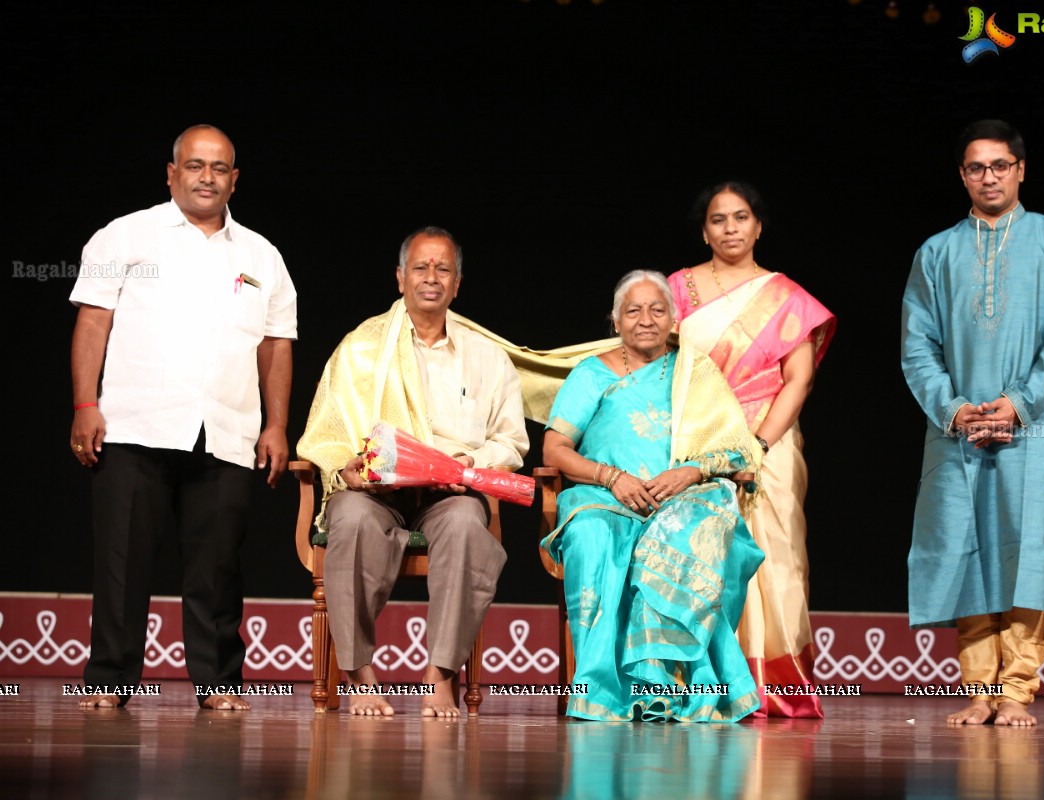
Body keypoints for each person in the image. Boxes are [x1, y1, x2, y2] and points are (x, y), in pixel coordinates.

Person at [69, 124, 297, 711]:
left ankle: (218, 685)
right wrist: (85, 405)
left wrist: (275, 425)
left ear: (234, 180)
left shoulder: (261, 256)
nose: (206, 177)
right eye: (194, 166)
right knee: (121, 565)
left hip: (225, 430)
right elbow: (93, 323)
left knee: (217, 570)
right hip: (133, 426)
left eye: (219, 168)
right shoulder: (127, 237)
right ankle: (109, 681)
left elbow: (276, 344)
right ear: (171, 173)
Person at [901, 119, 1044, 727]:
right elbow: (917, 345)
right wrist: (954, 408)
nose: (989, 176)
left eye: (1000, 165)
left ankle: (1016, 690)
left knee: (1031, 549)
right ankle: (979, 689)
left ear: (1021, 170)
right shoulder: (936, 252)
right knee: (964, 548)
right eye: (977, 167)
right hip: (956, 428)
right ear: (962, 175)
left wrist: (1017, 403)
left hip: (1037, 427)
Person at [296, 227, 528, 718]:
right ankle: (358, 675)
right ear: (400, 277)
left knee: (468, 525)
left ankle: (439, 675)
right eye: (420, 268)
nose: (431, 278)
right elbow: (327, 429)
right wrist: (348, 467)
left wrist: (467, 466)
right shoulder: (361, 347)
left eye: (443, 269)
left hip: (449, 493)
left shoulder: (487, 357)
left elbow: (511, 441)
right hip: (376, 489)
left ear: (458, 283)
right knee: (354, 521)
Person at [541, 269, 765, 722]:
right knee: (591, 535)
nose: (646, 319)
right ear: (616, 321)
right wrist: (610, 477)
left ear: (674, 318)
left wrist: (690, 471)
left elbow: (740, 452)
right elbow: (554, 449)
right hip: (602, 498)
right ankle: (600, 690)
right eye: (633, 310)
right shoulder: (592, 374)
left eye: (657, 309)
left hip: (679, 500)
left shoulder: (695, 374)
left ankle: (670, 686)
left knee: (693, 525)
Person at [668, 182, 835, 718]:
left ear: (759, 226)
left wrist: (756, 446)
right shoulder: (677, 289)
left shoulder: (787, 297)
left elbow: (798, 381)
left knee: (776, 559)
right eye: (719, 219)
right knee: (695, 558)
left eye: (741, 217)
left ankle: (773, 683)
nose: (731, 228)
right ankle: (700, 681)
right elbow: (657, 366)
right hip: (694, 444)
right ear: (704, 230)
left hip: (770, 441)